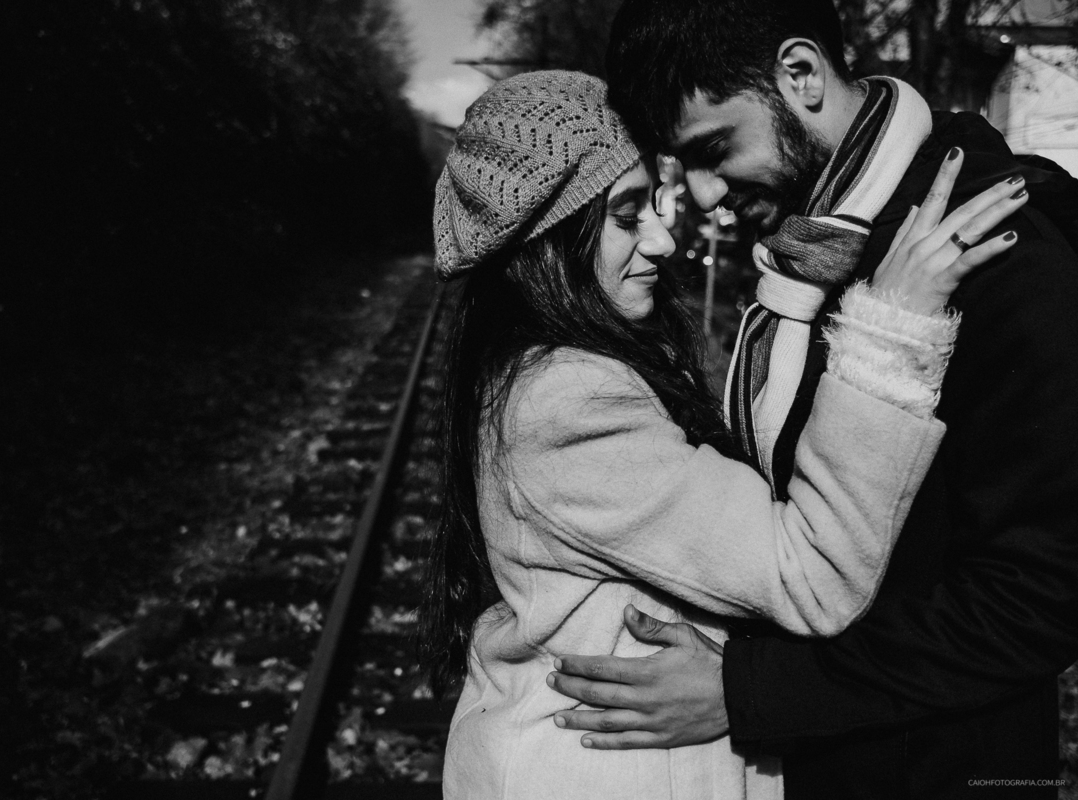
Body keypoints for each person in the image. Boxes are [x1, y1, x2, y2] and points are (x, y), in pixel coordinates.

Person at [423, 69, 1027, 799]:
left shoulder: (543, 367)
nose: (660, 239)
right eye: (625, 215)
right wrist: (890, 332)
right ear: (549, 241)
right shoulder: (568, 401)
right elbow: (813, 575)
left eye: (654, 204)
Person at [546, 1, 1078, 797]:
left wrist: (749, 690)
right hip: (829, 758)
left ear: (799, 75)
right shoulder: (818, 250)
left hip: (938, 769)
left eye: (715, 149)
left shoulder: (994, 256)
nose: (702, 193)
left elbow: (1038, 598)